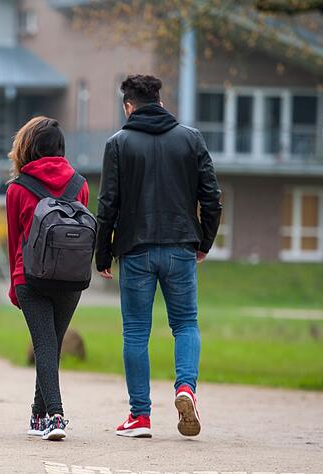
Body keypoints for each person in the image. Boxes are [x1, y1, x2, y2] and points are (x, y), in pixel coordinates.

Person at [96, 74, 222, 438]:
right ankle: (185, 389)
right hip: (182, 247)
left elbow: (108, 205)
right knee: (185, 324)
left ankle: (140, 417)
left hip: (135, 250)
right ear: (161, 102)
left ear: (128, 106)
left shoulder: (118, 143)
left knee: (136, 331)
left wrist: (102, 252)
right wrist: (204, 242)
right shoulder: (190, 138)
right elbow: (211, 197)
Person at [5, 117, 91, 441]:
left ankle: (55, 415)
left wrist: (15, 286)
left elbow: (15, 241)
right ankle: (37, 415)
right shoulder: (79, 184)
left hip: (31, 277)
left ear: (27, 147)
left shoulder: (17, 188)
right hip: (71, 278)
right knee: (49, 346)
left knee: (45, 345)